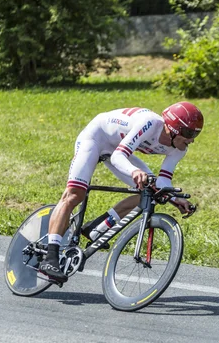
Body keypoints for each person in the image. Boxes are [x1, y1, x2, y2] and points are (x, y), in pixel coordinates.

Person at [39, 102, 204, 282]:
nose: (192, 139)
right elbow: (118, 156)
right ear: (172, 127)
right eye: (189, 133)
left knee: (150, 191)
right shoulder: (149, 123)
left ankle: (96, 228)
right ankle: (50, 256)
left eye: (196, 134)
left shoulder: (179, 149)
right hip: (96, 137)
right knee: (74, 194)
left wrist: (175, 198)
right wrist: (134, 171)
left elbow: (163, 181)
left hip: (117, 147)